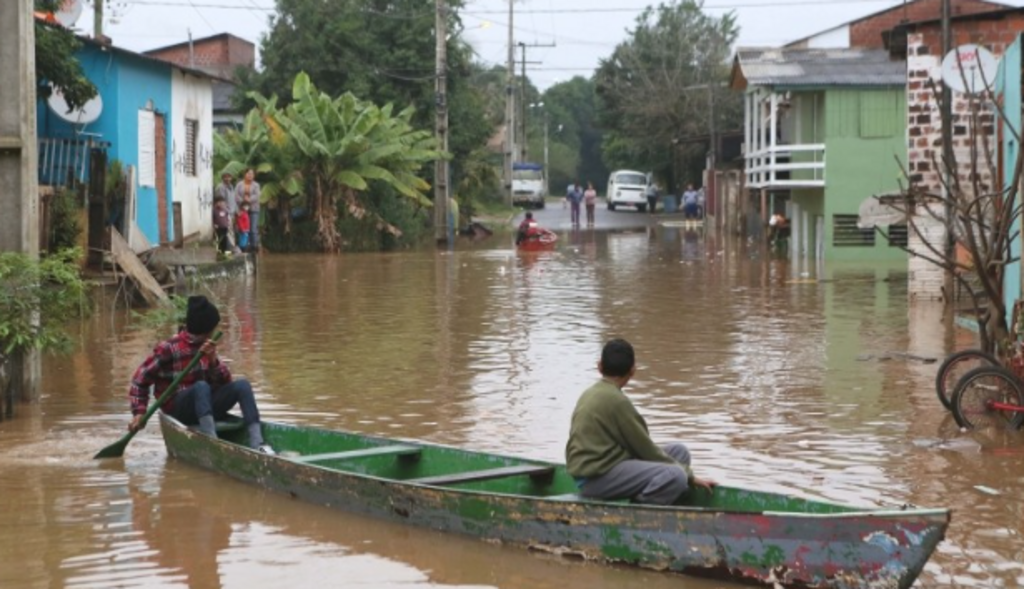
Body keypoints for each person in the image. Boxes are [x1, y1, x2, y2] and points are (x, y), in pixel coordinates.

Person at [566, 338, 714, 504]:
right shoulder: (617, 401)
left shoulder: (591, 392)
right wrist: (689, 475)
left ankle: (658, 497)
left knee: (679, 453)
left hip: (605, 466)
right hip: (594, 479)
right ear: (633, 371)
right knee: (677, 475)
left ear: (599, 366)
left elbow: (639, 448)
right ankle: (639, 506)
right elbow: (645, 449)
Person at [127, 295, 276, 455]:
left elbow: (225, 383)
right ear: (207, 330)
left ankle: (257, 444)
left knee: (242, 385)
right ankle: (212, 443)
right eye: (213, 329)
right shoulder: (169, 348)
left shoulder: (208, 347)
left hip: (205, 407)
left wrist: (213, 361)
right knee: (201, 387)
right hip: (179, 409)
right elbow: (139, 380)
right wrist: (139, 412)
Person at [235, 169, 261, 251]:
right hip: (242, 210)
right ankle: (244, 247)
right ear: (245, 174)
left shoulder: (256, 185)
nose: (250, 175)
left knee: (253, 229)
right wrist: (243, 201)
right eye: (248, 173)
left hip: (254, 209)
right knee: (243, 229)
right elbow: (236, 196)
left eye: (252, 174)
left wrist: (249, 199)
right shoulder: (239, 184)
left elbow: (257, 196)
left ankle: (254, 247)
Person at [215, 172, 238, 252]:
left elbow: (234, 200)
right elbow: (221, 201)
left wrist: (236, 211)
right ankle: (227, 249)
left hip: (232, 213)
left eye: (229, 177)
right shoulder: (220, 187)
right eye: (225, 177)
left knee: (231, 232)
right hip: (225, 214)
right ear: (222, 178)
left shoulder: (231, 187)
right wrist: (226, 212)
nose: (227, 179)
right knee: (226, 232)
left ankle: (231, 248)